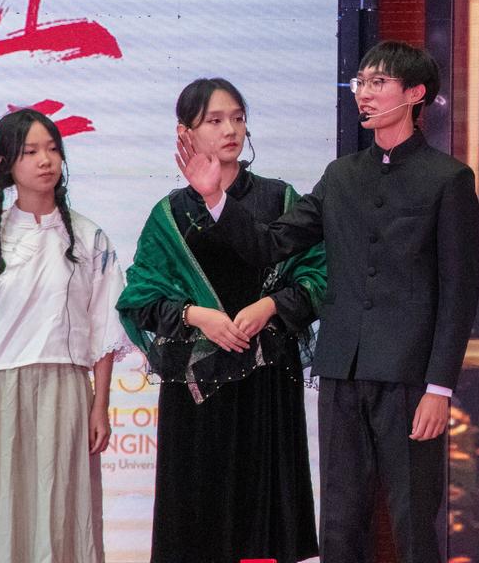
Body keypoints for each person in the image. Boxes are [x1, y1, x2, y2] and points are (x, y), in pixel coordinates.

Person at [175, 42, 479, 563]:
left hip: (409, 378)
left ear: (415, 94)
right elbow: (271, 243)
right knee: (338, 522)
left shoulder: (448, 179)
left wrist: (439, 387)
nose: (364, 94)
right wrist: (215, 199)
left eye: (378, 83)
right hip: (341, 371)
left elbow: (460, 291)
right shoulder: (341, 175)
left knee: (412, 522)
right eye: (361, 82)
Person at [116, 78, 325, 563]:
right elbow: (139, 300)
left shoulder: (279, 198)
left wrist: (269, 307)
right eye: (214, 120)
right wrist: (197, 316)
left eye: (237, 117)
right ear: (185, 133)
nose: (230, 129)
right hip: (196, 389)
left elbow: (318, 278)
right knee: (196, 518)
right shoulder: (170, 213)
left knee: (263, 517)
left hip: (267, 382)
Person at [0, 108, 128, 563]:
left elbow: (104, 329)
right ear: (7, 164)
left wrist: (100, 405)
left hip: (66, 392)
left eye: (53, 149)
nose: (45, 160)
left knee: (62, 512)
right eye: (31, 151)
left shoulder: (89, 238)